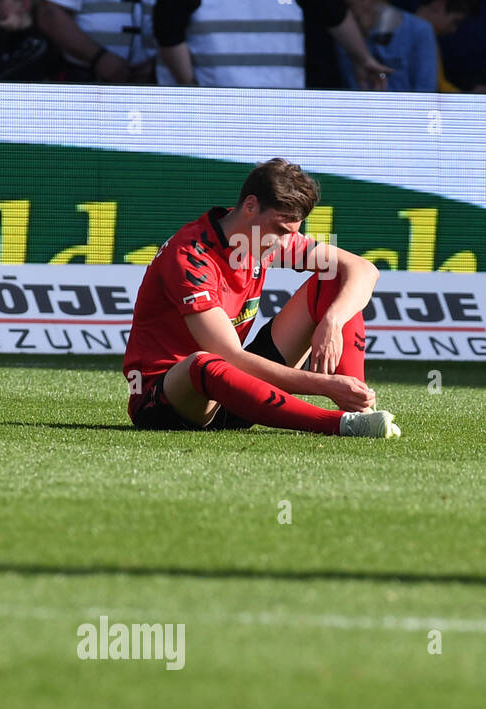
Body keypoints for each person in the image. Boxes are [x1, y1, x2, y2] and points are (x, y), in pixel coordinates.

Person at [123, 159, 401, 439]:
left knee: (333, 280)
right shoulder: (191, 257)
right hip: (167, 403)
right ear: (251, 206)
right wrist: (324, 385)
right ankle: (341, 424)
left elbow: (364, 269)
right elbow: (232, 357)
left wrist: (332, 321)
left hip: (237, 393)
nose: (284, 243)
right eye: (280, 230)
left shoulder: (262, 238)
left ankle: (359, 407)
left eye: (292, 233)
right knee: (204, 362)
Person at [154, 0, 393, 90]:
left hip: (280, 107)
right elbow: (168, 32)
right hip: (217, 112)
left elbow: (333, 13)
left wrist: (362, 59)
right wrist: (190, 87)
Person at [38, 0, 156, 84]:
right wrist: (98, 57)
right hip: (85, 81)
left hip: (150, 84)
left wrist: (155, 64)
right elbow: (49, 14)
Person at [336, 0, 438, 91]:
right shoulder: (343, 31)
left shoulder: (420, 30)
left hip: (404, 108)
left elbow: (425, 90)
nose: (346, 11)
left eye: (348, 5)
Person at [0, 0, 68, 82]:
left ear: (24, 3)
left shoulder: (41, 43)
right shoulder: (0, 35)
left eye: (0, 1)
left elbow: (8, 80)